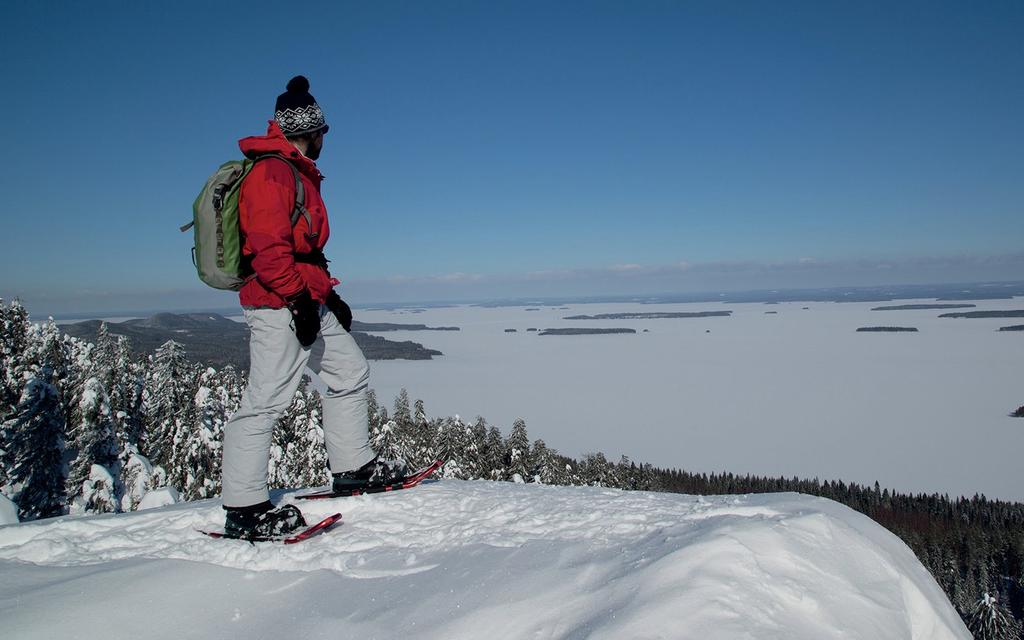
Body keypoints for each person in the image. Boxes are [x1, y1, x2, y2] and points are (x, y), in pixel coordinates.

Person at [220, 76, 402, 538]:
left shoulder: (297, 172)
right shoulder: (272, 172)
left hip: (303, 295)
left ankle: (353, 466)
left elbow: (304, 248)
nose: (326, 140)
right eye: (324, 131)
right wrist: (298, 298)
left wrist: (326, 293)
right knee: (266, 398)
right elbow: (268, 247)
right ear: (311, 130)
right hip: (277, 301)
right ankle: (244, 507)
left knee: (349, 371)